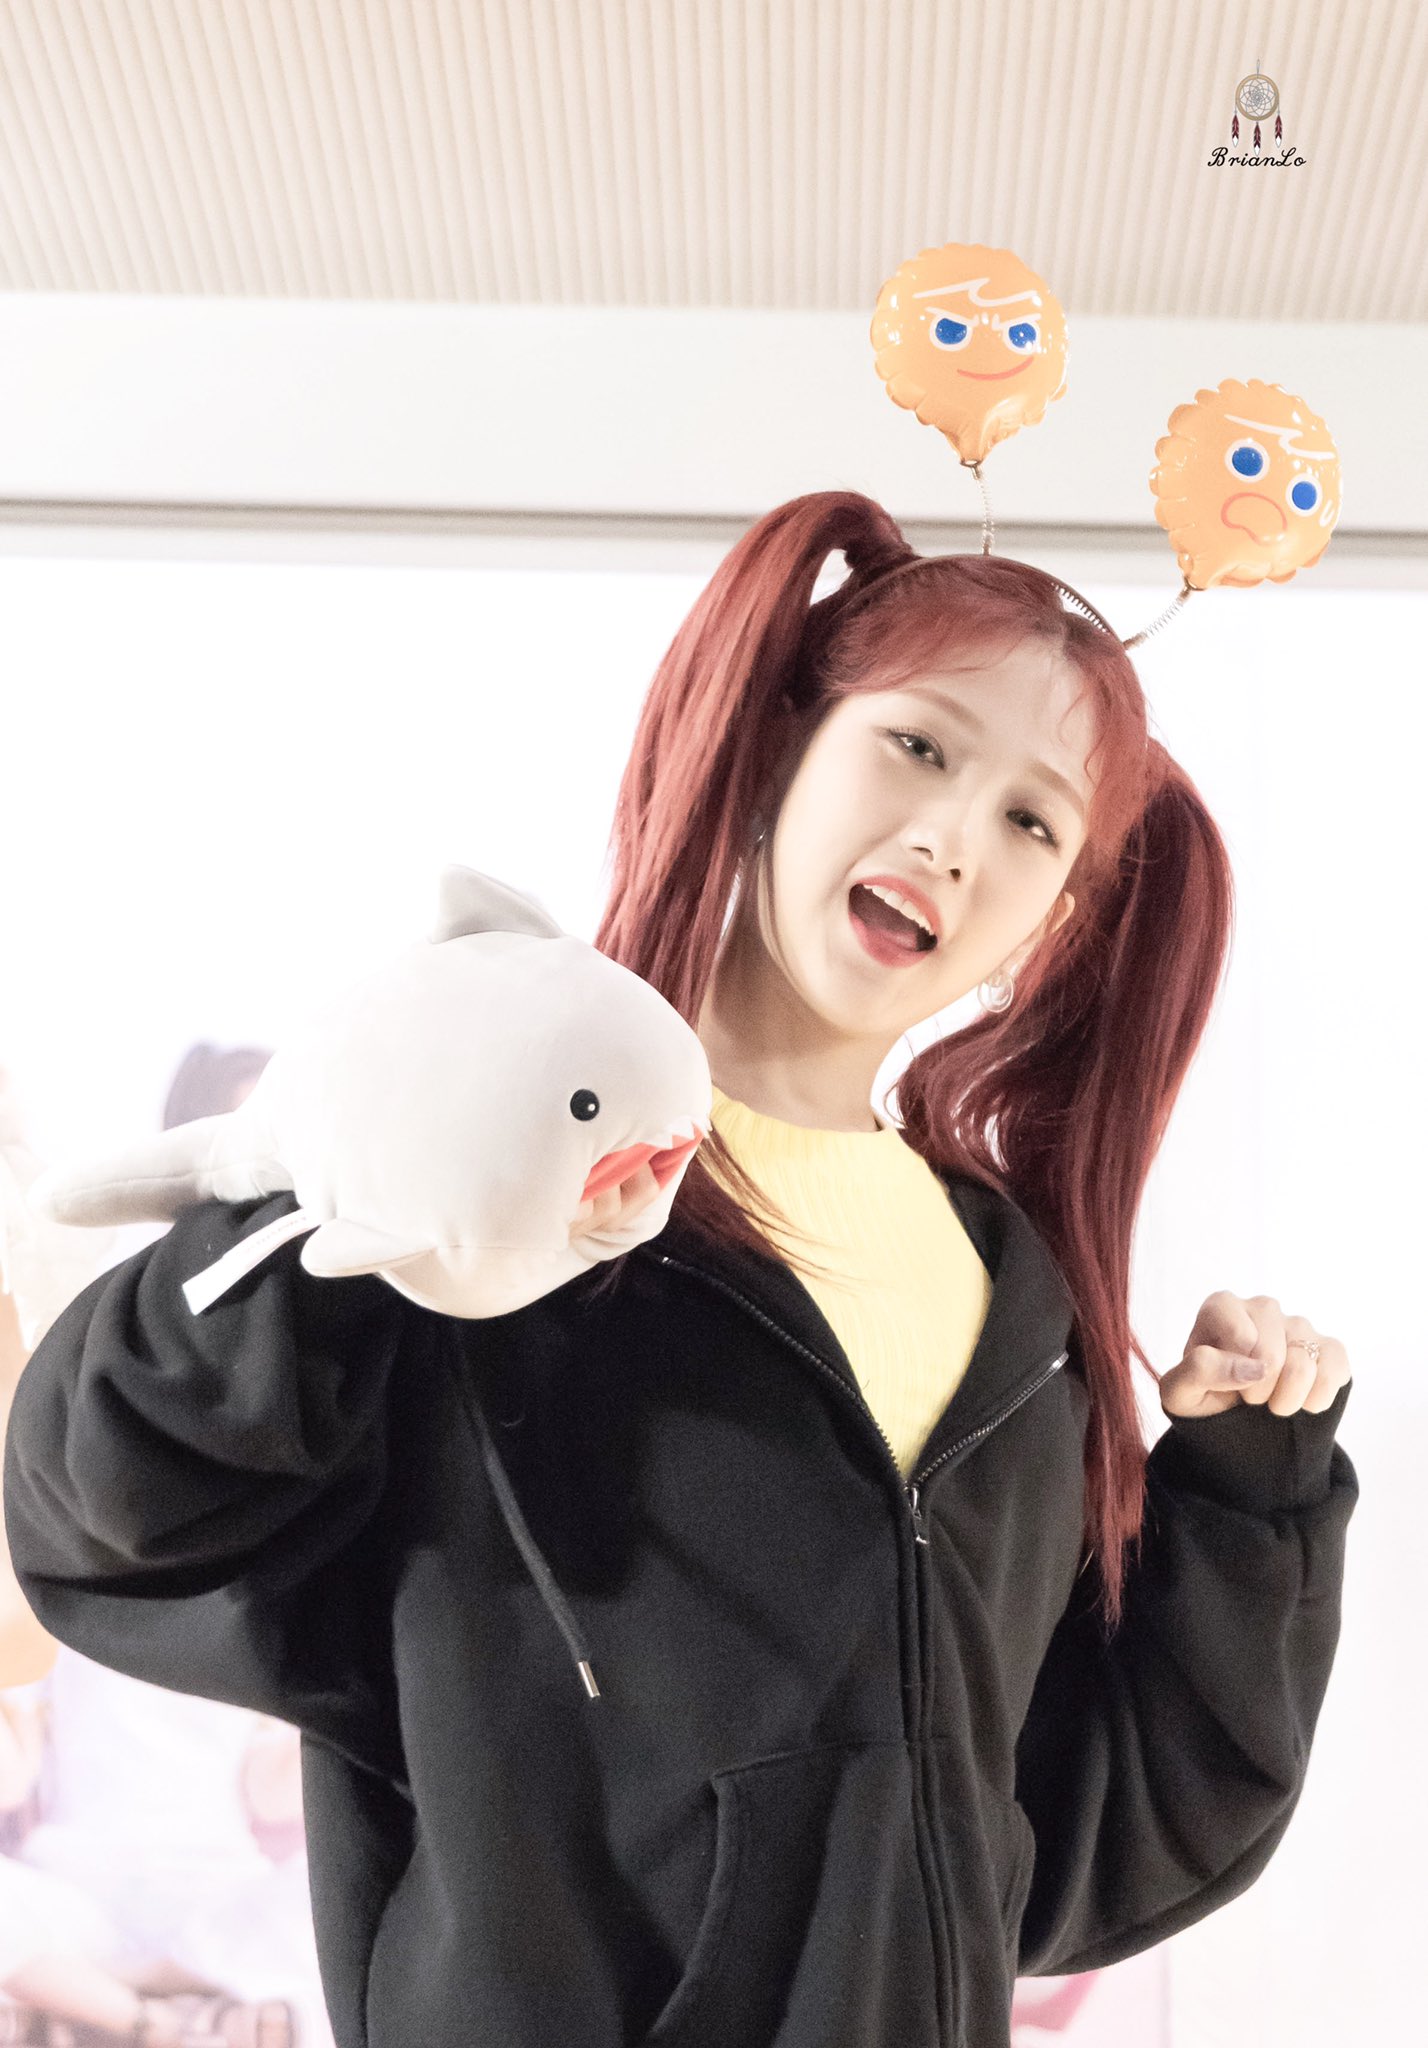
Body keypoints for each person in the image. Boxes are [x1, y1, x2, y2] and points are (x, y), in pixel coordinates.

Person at [2, 490, 1358, 2048]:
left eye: (1031, 822)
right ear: (779, 741)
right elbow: (114, 1520)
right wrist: (346, 1174)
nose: (951, 839)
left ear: (1058, 917)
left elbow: (1070, 1856)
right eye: (917, 745)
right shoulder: (511, 1171)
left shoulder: (1011, 1302)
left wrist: (1248, 1495)